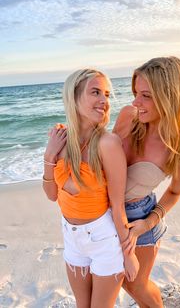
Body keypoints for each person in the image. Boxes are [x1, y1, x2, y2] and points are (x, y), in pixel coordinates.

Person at [42, 68, 139, 308]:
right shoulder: (60, 139)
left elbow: (117, 206)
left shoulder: (107, 144)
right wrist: (49, 155)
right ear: (74, 98)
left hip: (103, 238)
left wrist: (129, 255)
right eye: (95, 92)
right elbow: (52, 194)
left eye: (106, 94)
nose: (104, 101)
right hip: (71, 238)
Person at [113, 56, 180, 307]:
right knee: (108, 277)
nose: (135, 102)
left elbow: (173, 193)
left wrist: (147, 223)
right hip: (104, 212)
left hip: (139, 217)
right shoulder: (128, 117)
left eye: (146, 96)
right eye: (135, 93)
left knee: (134, 284)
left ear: (169, 97)